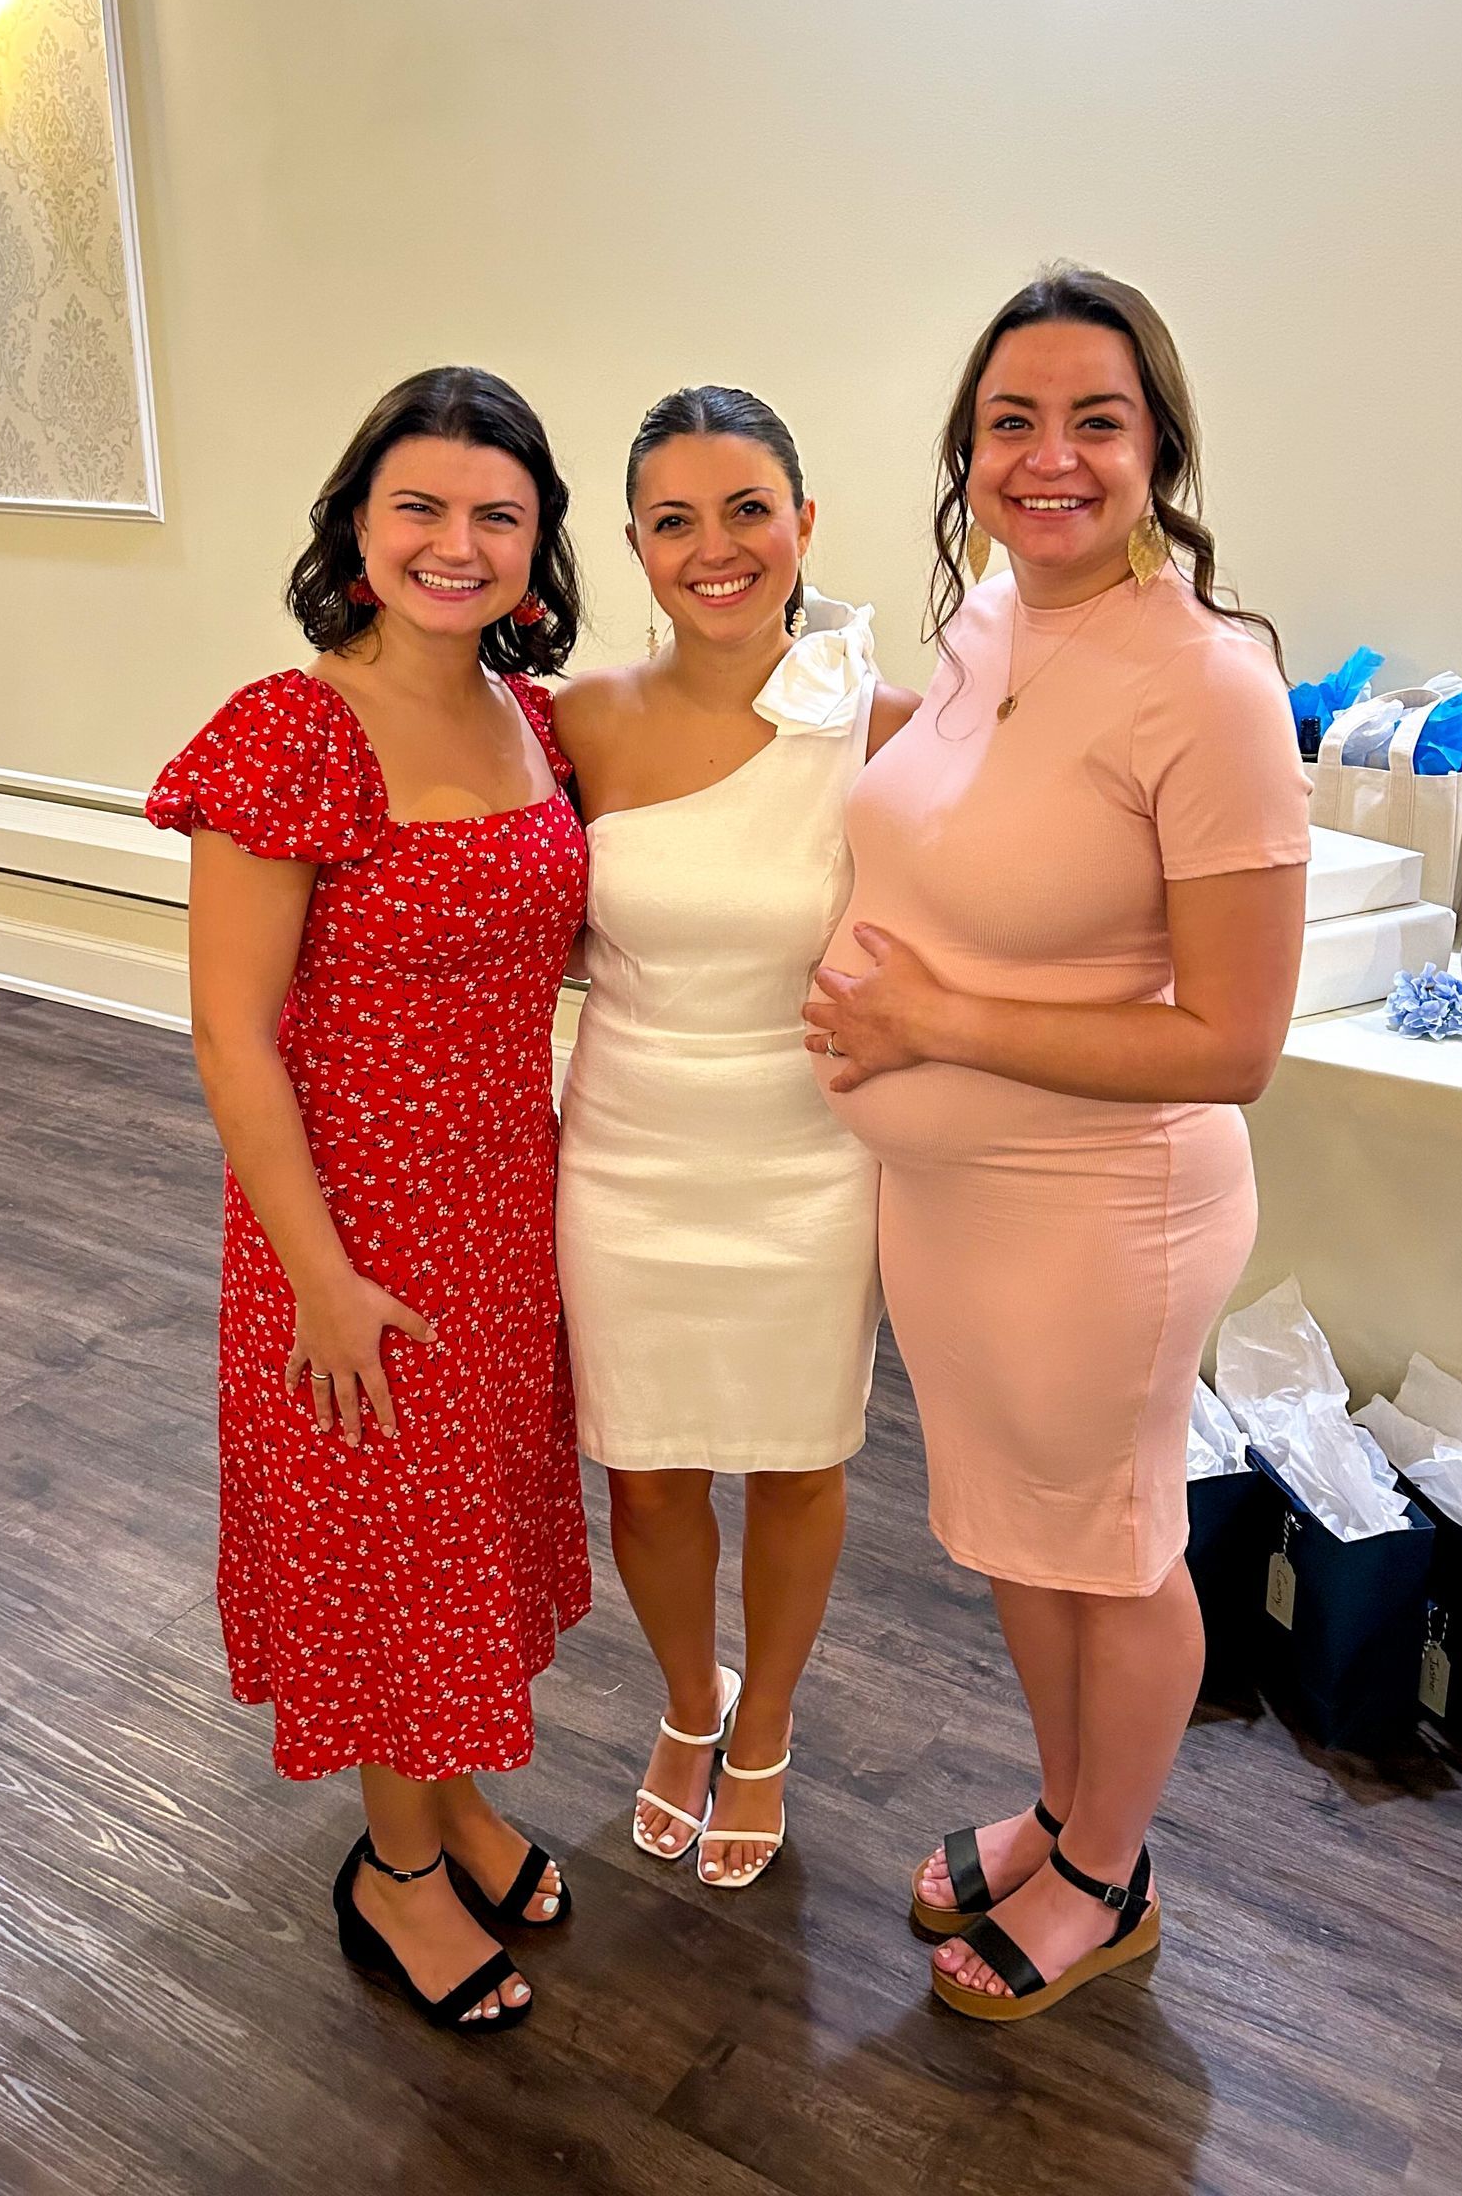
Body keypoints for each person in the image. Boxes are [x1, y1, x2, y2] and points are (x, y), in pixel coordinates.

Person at [804, 267, 1309, 2021]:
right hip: (951, 1206)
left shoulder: (1213, 690)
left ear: (1156, 442)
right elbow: (956, 796)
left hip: (1106, 1209)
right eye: (1010, 421)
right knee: (1023, 1534)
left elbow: (1233, 1042)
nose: (1050, 457)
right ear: (967, 453)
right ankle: (1067, 1802)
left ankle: (1110, 1866)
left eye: (1095, 418)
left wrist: (933, 1025)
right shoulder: (995, 626)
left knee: (1112, 1541)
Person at [147, 366, 591, 2035]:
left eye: (496, 512)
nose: (454, 543)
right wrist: (320, 1281)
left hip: (503, 1215)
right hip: (345, 1232)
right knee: (387, 1557)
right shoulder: (291, 732)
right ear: (355, 523)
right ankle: (395, 1871)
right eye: (418, 506)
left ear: (539, 542)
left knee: (462, 1534)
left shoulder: (531, 721)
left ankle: (457, 1799)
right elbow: (228, 1032)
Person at [554, 386, 917, 1888]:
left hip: (807, 1155)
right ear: (633, 546)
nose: (718, 549)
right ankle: (686, 1701)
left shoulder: (883, 729)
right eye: (675, 521)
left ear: (806, 523)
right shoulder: (578, 720)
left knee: (793, 1458)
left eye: (749, 510)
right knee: (642, 1471)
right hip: (628, 1145)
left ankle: (762, 1725)